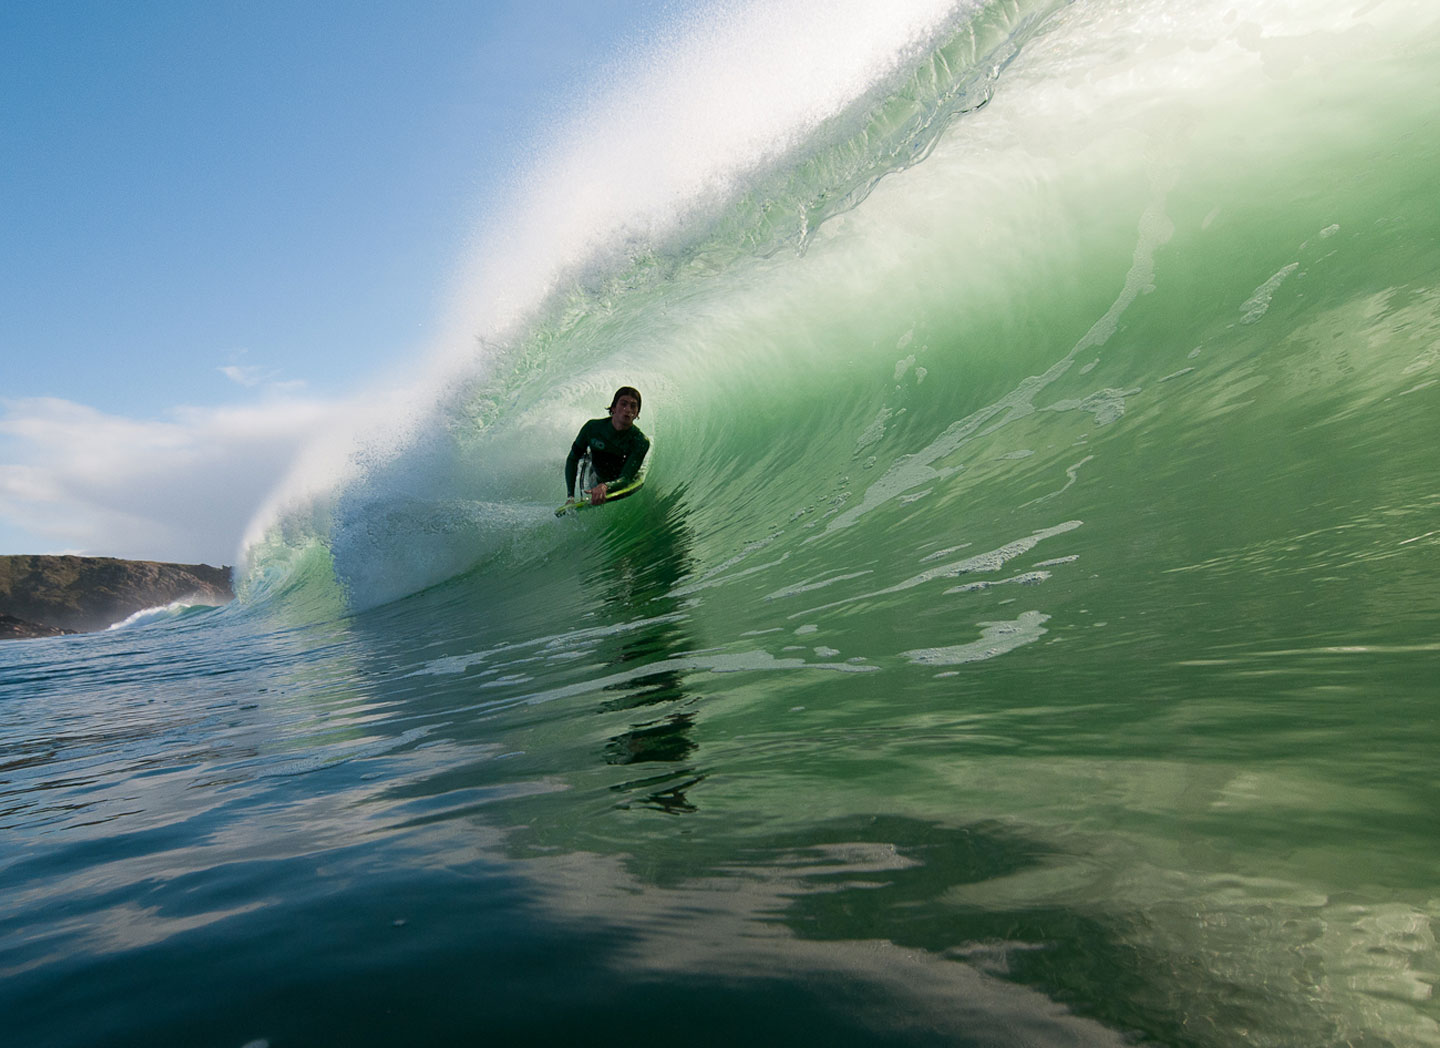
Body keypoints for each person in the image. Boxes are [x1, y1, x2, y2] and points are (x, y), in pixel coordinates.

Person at [564, 386, 650, 506]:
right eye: (623, 404)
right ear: (613, 407)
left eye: (633, 406)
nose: (628, 409)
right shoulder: (592, 428)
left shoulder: (640, 441)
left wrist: (605, 486)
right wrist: (570, 497)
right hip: (597, 471)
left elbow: (626, 478)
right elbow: (573, 458)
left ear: (637, 414)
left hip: (617, 477)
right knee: (584, 459)